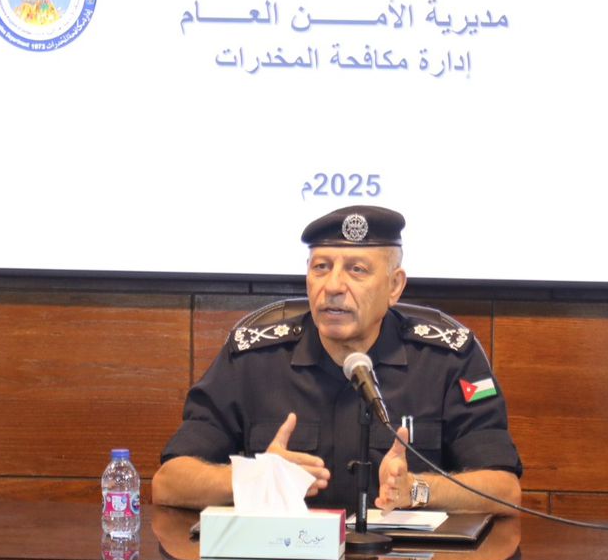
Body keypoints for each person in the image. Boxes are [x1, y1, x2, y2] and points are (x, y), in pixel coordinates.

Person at [152, 205, 523, 515]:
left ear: (394, 286)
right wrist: (255, 479)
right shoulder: (252, 360)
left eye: (357, 270)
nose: (332, 286)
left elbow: (504, 490)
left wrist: (416, 489)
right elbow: (169, 483)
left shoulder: (448, 360)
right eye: (321, 267)